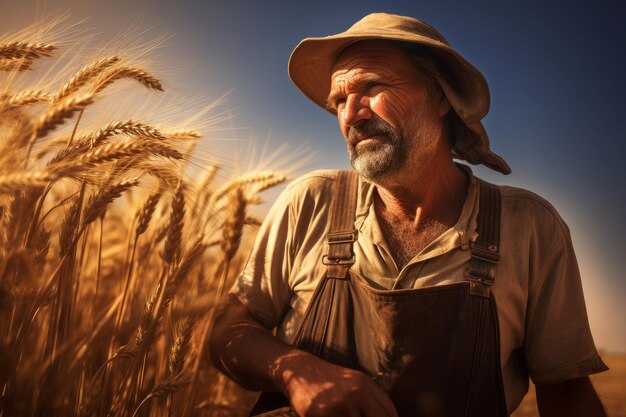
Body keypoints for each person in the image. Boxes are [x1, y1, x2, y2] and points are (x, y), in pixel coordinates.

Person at [208, 13, 608, 417]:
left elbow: (567, 393)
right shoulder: (310, 202)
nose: (351, 115)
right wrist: (296, 371)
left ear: (439, 96)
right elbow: (226, 331)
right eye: (339, 101)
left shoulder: (530, 227)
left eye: (373, 87)